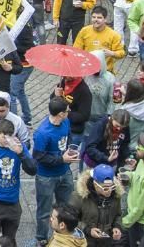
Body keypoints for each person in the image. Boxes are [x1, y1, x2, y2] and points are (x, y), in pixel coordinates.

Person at [33, 96, 81, 247]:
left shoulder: (65, 122)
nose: (69, 112)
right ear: (60, 113)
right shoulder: (42, 133)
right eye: (67, 111)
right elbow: (39, 156)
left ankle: (64, 232)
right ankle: (41, 238)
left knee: (67, 207)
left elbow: (68, 139)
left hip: (64, 172)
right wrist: (62, 159)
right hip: (46, 177)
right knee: (44, 211)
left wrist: (70, 152)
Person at [69, 164, 124, 247]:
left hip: (106, 241)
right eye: (105, 188)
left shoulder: (115, 195)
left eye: (112, 187)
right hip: (84, 241)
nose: (109, 191)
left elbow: (118, 215)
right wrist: (87, 230)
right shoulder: (80, 196)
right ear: (95, 184)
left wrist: (117, 227)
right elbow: (70, 219)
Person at [72, 6, 125, 73]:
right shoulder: (84, 31)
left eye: (99, 17)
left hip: (106, 71)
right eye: (94, 17)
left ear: (105, 19)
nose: (96, 20)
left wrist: (112, 53)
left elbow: (121, 53)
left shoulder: (114, 35)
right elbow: (76, 49)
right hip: (87, 69)